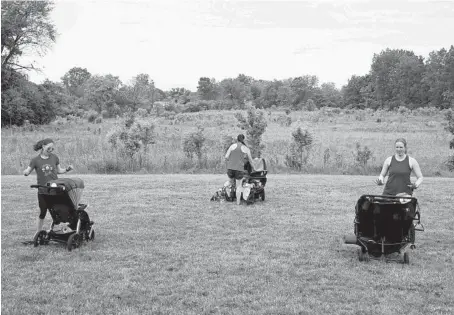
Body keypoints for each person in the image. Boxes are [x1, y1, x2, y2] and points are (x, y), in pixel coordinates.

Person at [23, 138, 73, 238]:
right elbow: (27, 171)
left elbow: (59, 171)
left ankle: (63, 228)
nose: (51, 149)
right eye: (49, 147)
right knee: (42, 212)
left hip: (55, 189)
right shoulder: (35, 160)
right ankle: (38, 232)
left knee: (59, 210)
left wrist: (67, 169)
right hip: (43, 191)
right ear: (43, 147)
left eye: (53, 148)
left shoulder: (54, 157)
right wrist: (26, 172)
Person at [224, 134, 254, 205]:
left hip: (230, 168)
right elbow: (250, 160)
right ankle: (237, 203)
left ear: (237, 139)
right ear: (243, 140)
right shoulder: (245, 148)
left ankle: (229, 197)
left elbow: (226, 157)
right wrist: (254, 168)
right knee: (238, 186)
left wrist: (231, 161)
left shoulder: (232, 146)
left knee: (230, 183)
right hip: (239, 169)